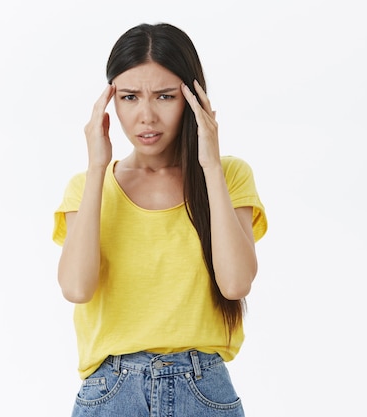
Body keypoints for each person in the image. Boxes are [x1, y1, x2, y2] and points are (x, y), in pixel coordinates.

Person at [52, 22, 268, 417]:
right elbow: (76, 288)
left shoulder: (229, 175)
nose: (146, 116)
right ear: (110, 102)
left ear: (193, 99)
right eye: (130, 97)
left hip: (203, 390)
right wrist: (97, 166)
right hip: (111, 390)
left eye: (166, 96)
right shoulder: (87, 186)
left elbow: (236, 283)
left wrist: (210, 165)